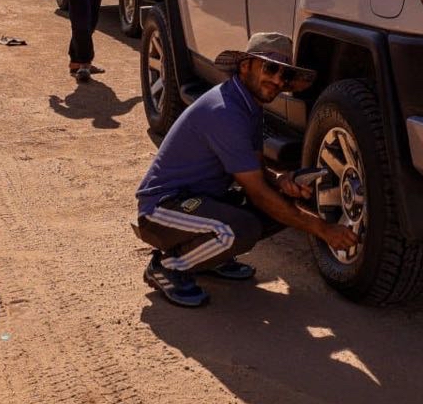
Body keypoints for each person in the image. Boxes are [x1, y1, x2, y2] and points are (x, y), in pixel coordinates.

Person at [134, 33, 360, 307]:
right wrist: (323, 229)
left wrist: (282, 180)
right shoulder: (225, 111)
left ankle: (209, 257)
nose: (278, 80)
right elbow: (258, 194)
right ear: (245, 66)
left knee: (283, 201)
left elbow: (257, 171)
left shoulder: (249, 106)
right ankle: (167, 266)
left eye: (285, 74)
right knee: (240, 228)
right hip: (160, 210)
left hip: (199, 200)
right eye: (270, 68)